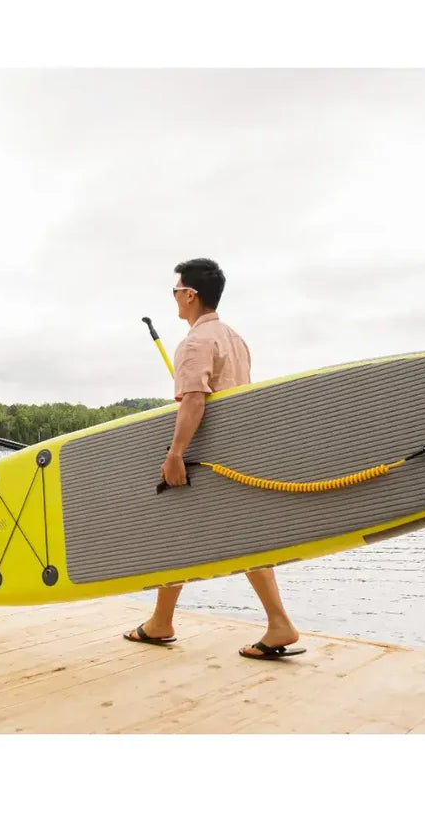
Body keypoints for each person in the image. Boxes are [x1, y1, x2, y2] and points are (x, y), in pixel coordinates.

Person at [123, 258, 305, 660]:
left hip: (206, 457)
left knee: (181, 531)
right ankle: (164, 621)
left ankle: (168, 623)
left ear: (190, 295)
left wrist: (175, 453)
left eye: (175, 291)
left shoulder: (194, 343)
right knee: (223, 536)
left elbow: (194, 401)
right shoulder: (234, 338)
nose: (174, 298)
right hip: (236, 453)